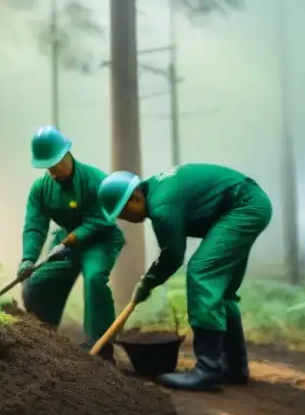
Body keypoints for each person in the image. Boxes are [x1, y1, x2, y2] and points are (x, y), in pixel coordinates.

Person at [97, 164, 273, 391]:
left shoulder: (162, 206)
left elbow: (172, 256)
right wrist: (149, 281)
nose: (126, 219)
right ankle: (234, 368)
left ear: (135, 197)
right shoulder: (158, 191)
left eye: (123, 212)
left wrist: (147, 282)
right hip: (249, 202)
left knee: (201, 271)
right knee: (224, 291)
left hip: (243, 205)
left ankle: (208, 370)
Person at [18, 126, 124, 358]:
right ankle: (44, 340)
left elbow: (103, 218)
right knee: (36, 284)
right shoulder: (41, 189)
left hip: (100, 239)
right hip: (66, 242)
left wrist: (77, 236)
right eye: (48, 166)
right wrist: (28, 258)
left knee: (95, 278)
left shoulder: (95, 180)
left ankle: (100, 345)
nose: (53, 172)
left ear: (68, 153)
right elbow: (35, 226)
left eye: (56, 164)